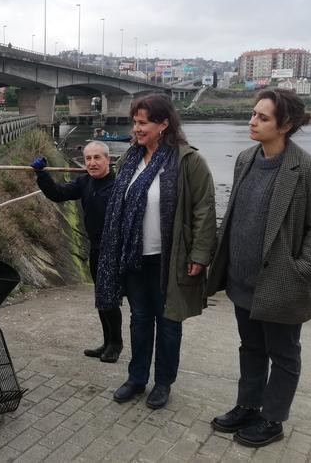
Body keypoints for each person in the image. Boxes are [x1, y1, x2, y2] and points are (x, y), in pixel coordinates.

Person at [207, 88, 311, 448]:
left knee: (283, 354)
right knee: (249, 348)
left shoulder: (310, 170)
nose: (252, 121)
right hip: (241, 279)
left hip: (282, 283)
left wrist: (303, 269)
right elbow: (235, 215)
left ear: (286, 125)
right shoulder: (245, 159)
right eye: (253, 114)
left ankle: (272, 418)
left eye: (262, 117)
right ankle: (248, 405)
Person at [97, 93, 216, 410]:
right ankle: (137, 378)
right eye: (135, 122)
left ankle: (163, 383)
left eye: (143, 122)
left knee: (168, 322)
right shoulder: (129, 160)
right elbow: (116, 203)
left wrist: (199, 256)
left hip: (170, 259)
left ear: (164, 124)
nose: (136, 128)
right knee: (139, 319)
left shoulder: (188, 162)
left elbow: (204, 211)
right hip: (134, 258)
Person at [30, 141, 123, 363]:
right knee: (101, 298)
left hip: (115, 251)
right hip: (96, 249)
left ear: (108, 160)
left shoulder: (120, 186)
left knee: (110, 300)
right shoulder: (85, 182)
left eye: (97, 158)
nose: (92, 162)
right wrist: (41, 174)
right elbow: (58, 194)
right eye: (88, 158)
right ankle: (107, 342)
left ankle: (116, 344)